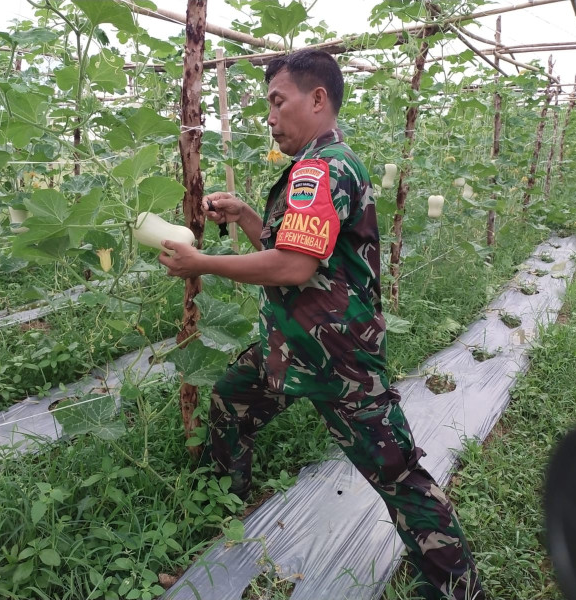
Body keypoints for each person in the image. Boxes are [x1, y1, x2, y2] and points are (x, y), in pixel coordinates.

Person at [158, 48, 485, 600]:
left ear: (316, 99)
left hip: (337, 358)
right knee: (230, 400)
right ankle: (225, 504)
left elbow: (292, 267)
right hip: (294, 346)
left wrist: (202, 263)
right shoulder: (320, 165)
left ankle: (457, 589)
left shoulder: (322, 168)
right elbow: (295, 250)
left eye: (277, 101)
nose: (269, 117)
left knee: (397, 475)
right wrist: (244, 215)